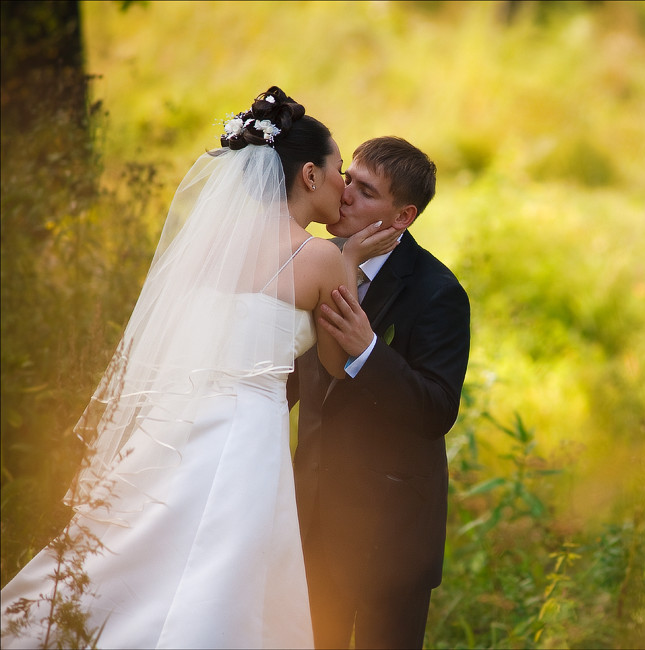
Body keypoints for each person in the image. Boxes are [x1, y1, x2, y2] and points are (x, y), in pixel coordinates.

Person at [0, 86, 398, 649]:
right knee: (229, 564)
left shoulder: (211, 245)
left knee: (137, 545)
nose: (344, 187)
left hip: (175, 418)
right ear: (309, 175)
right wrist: (350, 264)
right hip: (247, 431)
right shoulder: (322, 258)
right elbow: (335, 364)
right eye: (339, 170)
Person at [289, 136, 471, 649]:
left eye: (365, 191)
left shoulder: (437, 293)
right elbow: (284, 381)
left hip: (388, 540)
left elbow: (436, 411)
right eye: (348, 179)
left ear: (402, 216)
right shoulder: (316, 262)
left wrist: (370, 351)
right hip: (311, 521)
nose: (344, 194)